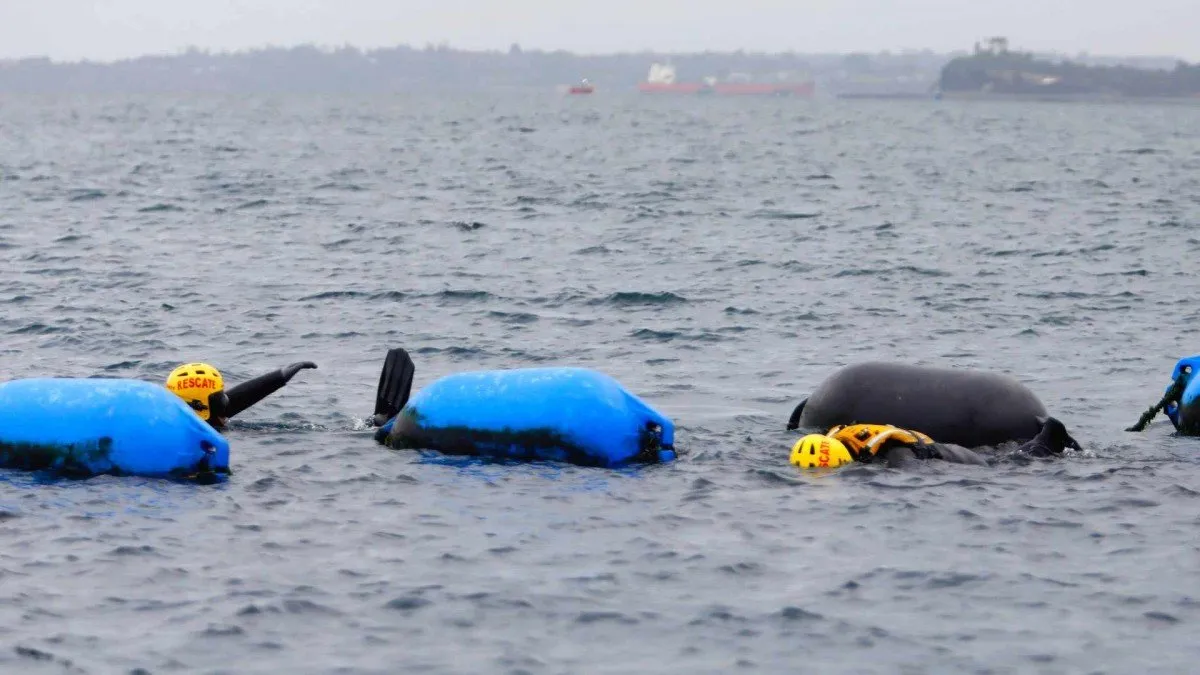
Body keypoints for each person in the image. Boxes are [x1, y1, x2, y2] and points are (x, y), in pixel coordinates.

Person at [790, 418, 1080, 469]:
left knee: (1004, 466)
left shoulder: (897, 457)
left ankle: (1050, 435)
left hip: (956, 457)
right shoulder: (839, 437)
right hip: (931, 446)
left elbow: (919, 479)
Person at [164, 361, 316, 430]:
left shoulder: (186, 420)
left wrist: (281, 376)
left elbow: (243, 396)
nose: (226, 402)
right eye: (220, 399)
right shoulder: (206, 435)